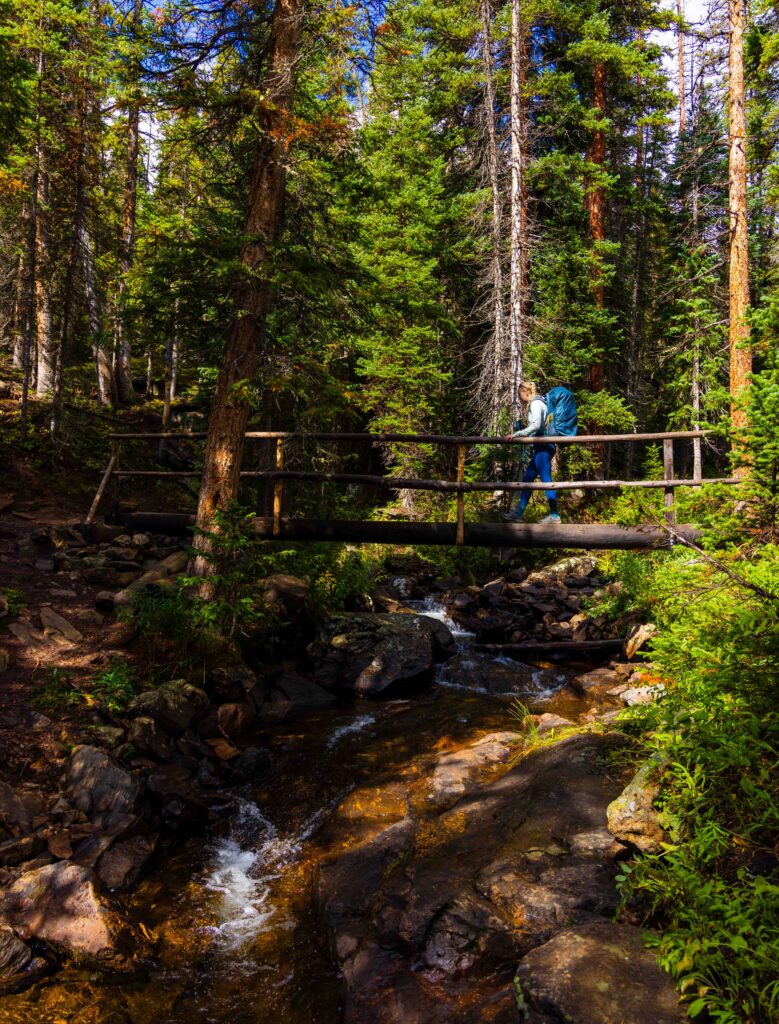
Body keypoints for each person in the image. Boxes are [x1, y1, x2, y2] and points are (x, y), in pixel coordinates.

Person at [502, 382, 561, 524]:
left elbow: (536, 425)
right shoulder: (540, 403)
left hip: (543, 446)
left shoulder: (535, 403)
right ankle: (519, 513)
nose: (520, 398)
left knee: (546, 479)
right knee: (528, 479)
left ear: (525, 392)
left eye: (520, 395)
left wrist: (517, 434)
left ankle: (554, 515)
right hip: (541, 447)